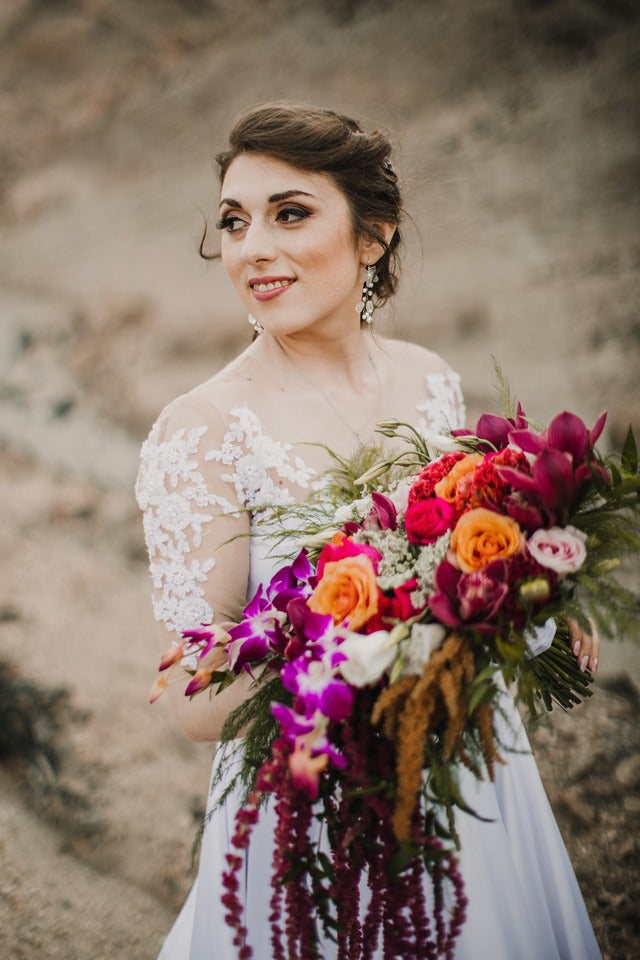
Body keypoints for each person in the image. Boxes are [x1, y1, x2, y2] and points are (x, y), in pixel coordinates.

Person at [135, 103, 601, 960]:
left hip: (471, 780)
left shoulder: (430, 382)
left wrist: (527, 595)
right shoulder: (201, 428)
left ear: (374, 235)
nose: (251, 247)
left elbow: (469, 556)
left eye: (291, 213)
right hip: (313, 816)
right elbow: (200, 708)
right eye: (235, 221)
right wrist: (358, 638)